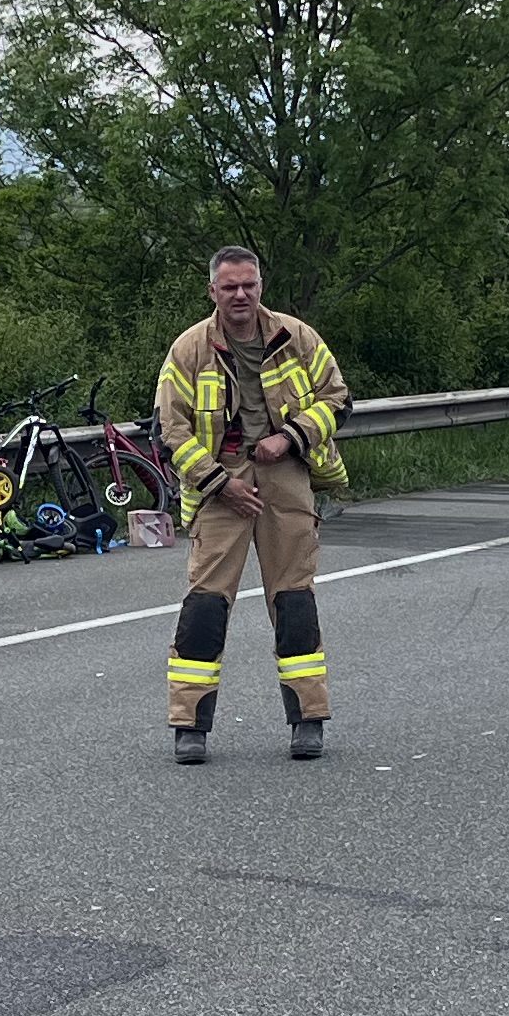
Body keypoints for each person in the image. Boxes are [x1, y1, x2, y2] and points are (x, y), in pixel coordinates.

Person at [156, 245, 352, 762]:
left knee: (293, 599)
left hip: (286, 476)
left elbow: (338, 399)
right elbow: (170, 430)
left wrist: (289, 437)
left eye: (249, 285)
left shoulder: (296, 337)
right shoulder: (188, 349)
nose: (240, 295)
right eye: (229, 288)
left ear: (261, 285)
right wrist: (220, 483)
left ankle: (308, 720)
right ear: (213, 292)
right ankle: (189, 727)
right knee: (205, 603)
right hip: (221, 485)